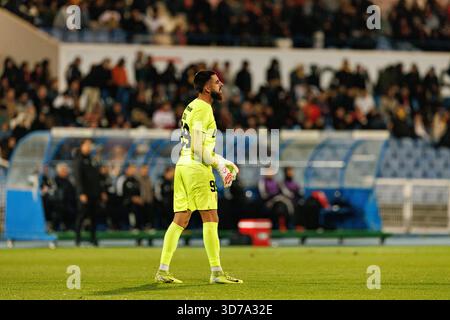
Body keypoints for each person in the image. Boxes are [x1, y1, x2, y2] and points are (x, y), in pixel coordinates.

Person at [155, 70, 243, 284]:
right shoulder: (204, 109)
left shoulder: (191, 106)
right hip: (196, 168)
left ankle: (163, 270)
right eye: (216, 82)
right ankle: (216, 272)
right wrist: (218, 163)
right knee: (211, 217)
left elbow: (195, 145)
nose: (221, 84)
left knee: (180, 219)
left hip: (183, 166)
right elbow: (197, 147)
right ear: (206, 87)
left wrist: (221, 160)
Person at [73, 139, 103, 246]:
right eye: (87, 145)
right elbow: (78, 178)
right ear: (81, 146)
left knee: (93, 217)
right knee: (81, 216)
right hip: (84, 194)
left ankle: (93, 238)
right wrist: (81, 193)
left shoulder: (91, 159)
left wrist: (100, 192)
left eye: (90, 145)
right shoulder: (78, 159)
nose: (89, 147)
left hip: (94, 193)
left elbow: (97, 177)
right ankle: (77, 239)